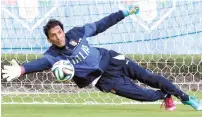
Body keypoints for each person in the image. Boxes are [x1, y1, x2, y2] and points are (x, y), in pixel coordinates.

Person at [2, 3, 202, 111]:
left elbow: (101, 24)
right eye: (53, 35)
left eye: (59, 32)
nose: (58, 36)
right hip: (103, 79)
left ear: (63, 31)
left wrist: (123, 13)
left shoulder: (78, 33)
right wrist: (21, 69)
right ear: (49, 39)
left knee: (150, 77)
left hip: (113, 59)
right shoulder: (52, 56)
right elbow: (38, 64)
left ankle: (187, 98)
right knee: (144, 96)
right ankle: (165, 95)